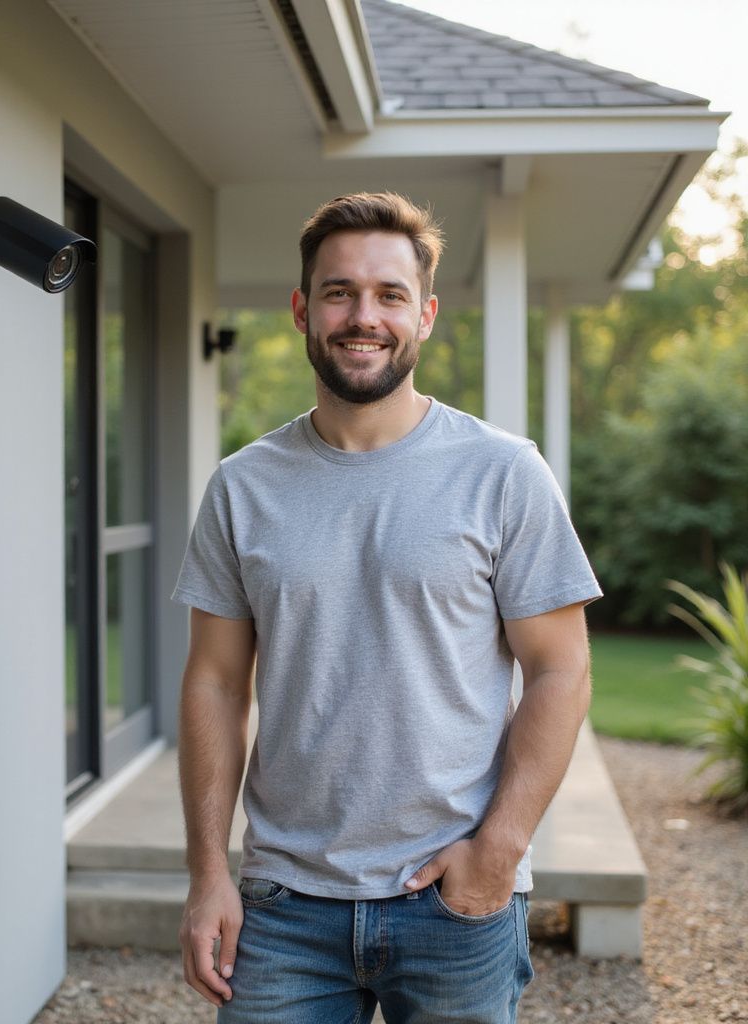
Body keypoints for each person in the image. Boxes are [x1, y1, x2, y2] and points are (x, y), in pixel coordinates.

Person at [171, 192, 601, 1023]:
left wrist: (498, 852)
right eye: (338, 292)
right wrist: (208, 874)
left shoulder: (504, 473)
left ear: (426, 315)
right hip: (283, 904)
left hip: (452, 899)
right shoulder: (242, 488)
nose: (362, 316)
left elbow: (562, 669)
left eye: (389, 295)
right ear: (302, 309)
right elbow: (215, 685)